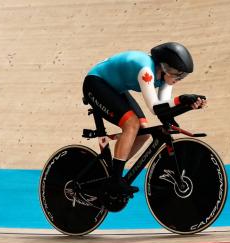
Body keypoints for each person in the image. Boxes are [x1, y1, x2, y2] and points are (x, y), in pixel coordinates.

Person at [83, 42, 207, 197]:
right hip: (95, 83)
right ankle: (115, 181)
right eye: (177, 73)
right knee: (131, 124)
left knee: (143, 133)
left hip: (113, 88)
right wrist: (182, 99)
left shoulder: (165, 79)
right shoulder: (146, 70)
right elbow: (155, 108)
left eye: (183, 75)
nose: (179, 78)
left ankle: (111, 172)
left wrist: (189, 105)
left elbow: (164, 111)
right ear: (164, 66)